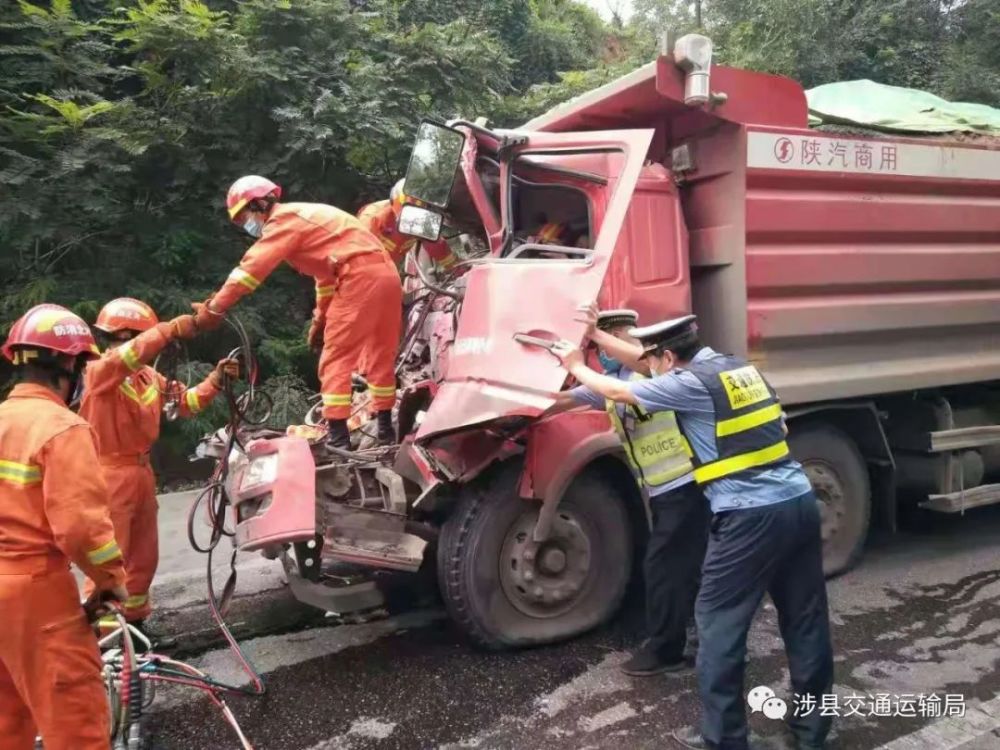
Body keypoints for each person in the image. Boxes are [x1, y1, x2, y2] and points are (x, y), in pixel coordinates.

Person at [552, 314, 834, 750]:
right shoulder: (738, 370)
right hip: (798, 500)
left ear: (668, 357)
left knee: (719, 627)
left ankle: (724, 740)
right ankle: (812, 733)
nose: (649, 369)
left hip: (747, 516)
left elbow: (618, 390)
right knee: (805, 619)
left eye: (653, 362)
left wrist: (574, 362)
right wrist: (596, 335)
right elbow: (781, 426)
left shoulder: (688, 383)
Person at [549, 307, 708, 676]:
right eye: (601, 343)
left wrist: (579, 360)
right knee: (687, 566)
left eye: (613, 339)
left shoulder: (656, 372)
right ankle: (705, 637)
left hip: (686, 483)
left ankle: (667, 650)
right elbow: (564, 400)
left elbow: (621, 385)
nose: (605, 351)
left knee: (663, 567)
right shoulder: (609, 379)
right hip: (662, 490)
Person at [193, 175, 403, 448]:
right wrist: (320, 321)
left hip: (359, 277)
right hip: (387, 276)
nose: (246, 225)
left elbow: (249, 272)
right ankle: (386, 431)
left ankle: (339, 440)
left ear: (258, 204)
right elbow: (325, 280)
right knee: (380, 355)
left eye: (244, 217)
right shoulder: (307, 218)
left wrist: (214, 308)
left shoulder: (283, 221)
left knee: (336, 359)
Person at [0, 303, 128, 749]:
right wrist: (110, 582)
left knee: (7, 721)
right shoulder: (62, 428)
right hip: (36, 596)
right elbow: (79, 529)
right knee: (74, 722)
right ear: (69, 366)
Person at [77, 297, 235, 625]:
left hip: (141, 471)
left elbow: (184, 403)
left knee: (143, 558)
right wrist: (169, 330)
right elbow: (126, 357)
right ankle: (104, 636)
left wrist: (216, 380)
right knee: (110, 562)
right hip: (108, 473)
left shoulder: (148, 377)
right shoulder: (98, 372)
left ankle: (134, 622)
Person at [357, 179, 459, 273]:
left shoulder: (420, 215)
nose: (414, 223)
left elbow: (436, 245)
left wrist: (455, 268)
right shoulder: (370, 224)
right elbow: (360, 263)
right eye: (409, 218)